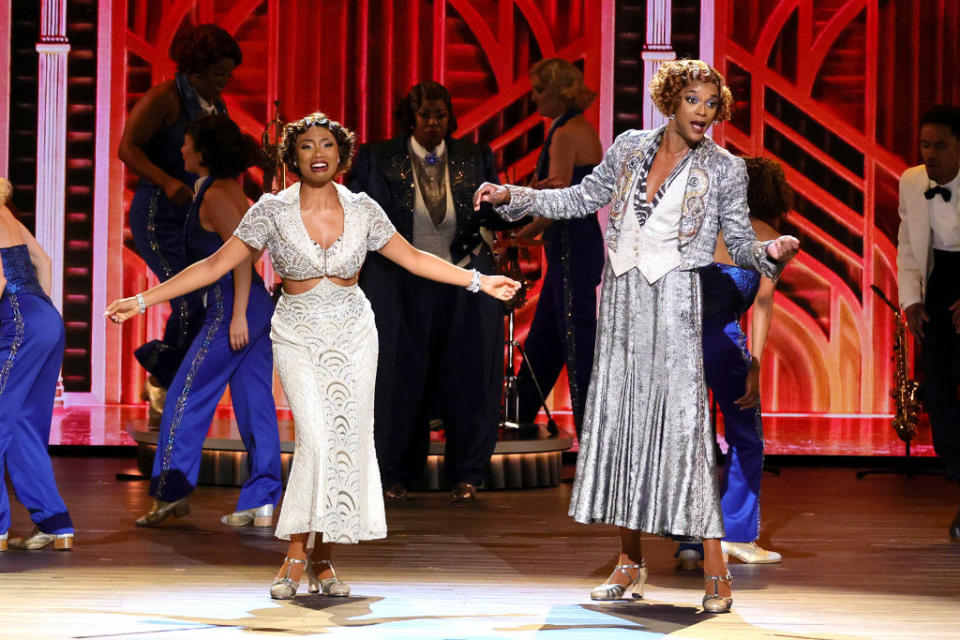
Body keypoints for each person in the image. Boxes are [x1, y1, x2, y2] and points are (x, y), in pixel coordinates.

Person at [107, 113, 520, 599]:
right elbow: (217, 263)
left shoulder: (363, 208)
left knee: (344, 446)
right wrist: (143, 300)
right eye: (307, 145)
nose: (318, 152)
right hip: (299, 332)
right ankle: (295, 557)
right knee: (317, 442)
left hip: (354, 334)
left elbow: (412, 257)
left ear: (341, 156)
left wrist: (480, 281)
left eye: (327, 144)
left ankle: (323, 561)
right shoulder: (270, 211)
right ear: (293, 157)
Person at [475, 59, 799, 612]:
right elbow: (580, 199)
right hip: (624, 303)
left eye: (712, 103)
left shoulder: (724, 168)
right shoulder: (629, 147)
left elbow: (741, 243)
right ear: (670, 100)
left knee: (685, 434)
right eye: (694, 100)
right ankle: (629, 563)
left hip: (676, 303)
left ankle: (716, 573)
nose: (704, 112)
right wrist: (514, 196)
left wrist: (767, 254)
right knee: (621, 427)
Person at [348, 81, 523, 503]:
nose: (432, 123)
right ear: (411, 118)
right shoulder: (376, 157)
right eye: (425, 115)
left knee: (471, 374)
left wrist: (522, 200)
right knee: (397, 376)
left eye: (440, 116)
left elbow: (494, 217)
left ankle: (467, 473)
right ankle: (393, 474)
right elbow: (355, 217)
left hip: (464, 277)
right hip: (396, 281)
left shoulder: (474, 156)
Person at [134, 115, 283, 529]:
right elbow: (252, 249)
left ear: (203, 152)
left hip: (232, 307)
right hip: (250, 304)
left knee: (185, 394)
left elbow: (238, 257)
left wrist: (236, 315)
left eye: (186, 144)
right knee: (255, 404)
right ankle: (263, 497)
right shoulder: (228, 190)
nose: (181, 150)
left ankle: (171, 491)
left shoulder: (217, 195)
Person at [117, 23, 242, 423]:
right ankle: (162, 379)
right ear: (196, 70)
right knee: (188, 300)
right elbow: (127, 147)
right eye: (219, 73)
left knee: (206, 301)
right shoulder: (165, 98)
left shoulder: (213, 105)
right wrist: (167, 180)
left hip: (196, 216)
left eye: (228, 73)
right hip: (160, 216)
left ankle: (168, 379)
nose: (226, 80)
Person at [675, 157, 792, 571]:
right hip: (721, 343)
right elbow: (761, 305)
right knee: (746, 437)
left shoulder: (708, 229)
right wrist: (755, 365)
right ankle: (737, 535)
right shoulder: (772, 239)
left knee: (690, 440)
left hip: (677, 340)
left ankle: (690, 542)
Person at [513, 59, 604, 435]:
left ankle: (594, 437)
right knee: (546, 341)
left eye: (539, 90)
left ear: (558, 91)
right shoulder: (565, 128)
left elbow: (560, 202)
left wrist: (523, 235)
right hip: (569, 248)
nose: (533, 98)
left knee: (577, 342)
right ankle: (513, 418)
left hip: (572, 247)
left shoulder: (567, 133)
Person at [896, 104, 960, 541]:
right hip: (940, 281)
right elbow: (907, 242)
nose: (930, 153)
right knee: (937, 395)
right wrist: (912, 300)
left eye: (940, 145)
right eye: (925, 144)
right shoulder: (912, 180)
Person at [0, 177, 74, 551]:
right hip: (45, 317)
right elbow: (42, 260)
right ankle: (55, 525)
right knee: (23, 426)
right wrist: (40, 309)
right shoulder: (7, 215)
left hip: (18, 322)